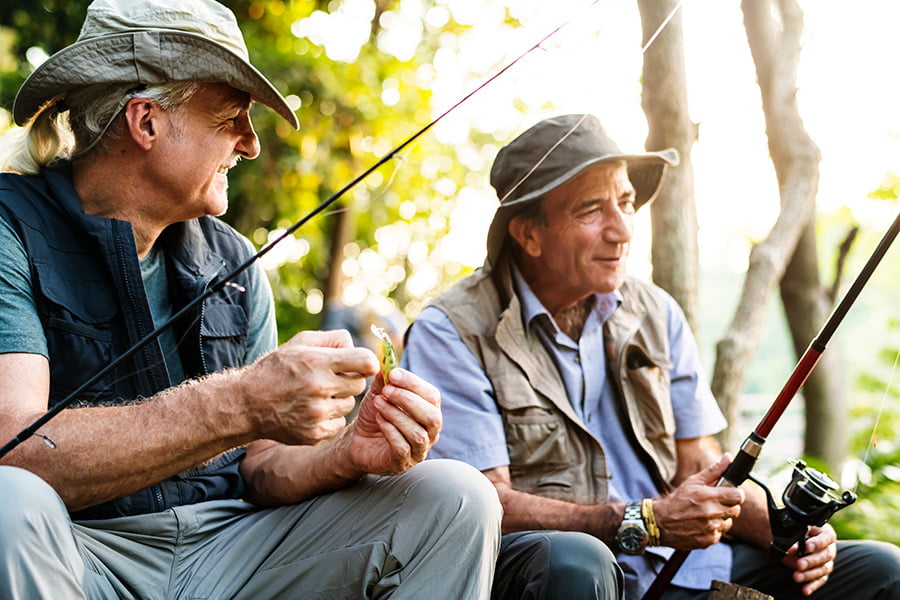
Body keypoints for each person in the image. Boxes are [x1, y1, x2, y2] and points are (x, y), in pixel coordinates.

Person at [0, 1, 501, 598]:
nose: (252, 144)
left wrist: (347, 452)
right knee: (9, 500)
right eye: (232, 117)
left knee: (455, 497)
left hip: (229, 549)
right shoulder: (11, 226)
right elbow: (14, 450)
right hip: (80, 550)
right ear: (146, 121)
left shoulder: (232, 259)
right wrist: (240, 401)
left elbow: (262, 465)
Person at [401, 113, 900, 600]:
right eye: (591, 210)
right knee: (578, 561)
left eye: (627, 202)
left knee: (881, 569)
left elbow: (700, 462)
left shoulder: (656, 311)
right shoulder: (452, 332)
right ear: (528, 234)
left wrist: (786, 530)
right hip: (565, 573)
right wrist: (646, 523)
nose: (621, 229)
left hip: (690, 566)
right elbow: (485, 507)